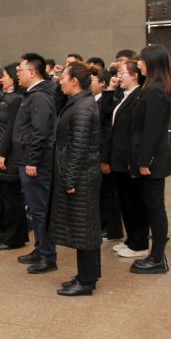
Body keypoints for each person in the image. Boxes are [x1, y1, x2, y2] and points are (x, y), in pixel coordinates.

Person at [48, 61, 103, 296]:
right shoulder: (78, 101)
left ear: (74, 81)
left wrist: (69, 179)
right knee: (84, 227)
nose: (60, 81)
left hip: (81, 177)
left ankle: (86, 281)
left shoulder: (82, 107)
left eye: (64, 77)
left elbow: (79, 148)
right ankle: (87, 275)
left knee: (85, 228)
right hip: (80, 174)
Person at [128, 44, 171, 274]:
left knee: (156, 208)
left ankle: (158, 257)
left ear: (153, 63)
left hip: (153, 160)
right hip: (148, 157)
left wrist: (144, 161)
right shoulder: (151, 87)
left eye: (142, 60)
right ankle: (155, 254)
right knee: (152, 206)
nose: (139, 64)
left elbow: (152, 131)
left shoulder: (156, 91)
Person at [13, 52, 58, 274]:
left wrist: (32, 160)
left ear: (32, 72)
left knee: (41, 211)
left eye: (20, 70)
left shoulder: (40, 97)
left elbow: (40, 132)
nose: (17, 74)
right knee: (35, 209)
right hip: (28, 160)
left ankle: (48, 256)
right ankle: (40, 249)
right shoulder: (31, 95)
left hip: (36, 162)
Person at [107, 60, 149, 259]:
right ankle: (131, 238)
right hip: (118, 157)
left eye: (122, 72)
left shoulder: (139, 96)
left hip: (129, 157)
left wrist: (134, 159)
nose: (119, 76)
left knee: (135, 201)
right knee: (125, 200)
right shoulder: (123, 95)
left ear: (134, 75)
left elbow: (137, 132)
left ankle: (140, 242)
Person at [0, 64, 28, 250]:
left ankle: (15, 239)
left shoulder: (17, 99)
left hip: (9, 155)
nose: (1, 78)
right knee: (3, 196)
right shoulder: (5, 96)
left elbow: (12, 130)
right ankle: (5, 230)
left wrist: (3, 154)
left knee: (13, 200)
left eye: (4, 76)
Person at [94, 68, 123, 241]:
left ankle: (112, 230)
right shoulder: (94, 100)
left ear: (102, 83)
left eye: (92, 80)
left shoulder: (109, 100)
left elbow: (107, 133)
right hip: (96, 154)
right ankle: (103, 225)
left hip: (105, 154)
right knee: (101, 193)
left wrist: (105, 159)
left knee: (109, 194)